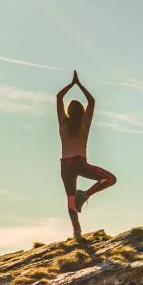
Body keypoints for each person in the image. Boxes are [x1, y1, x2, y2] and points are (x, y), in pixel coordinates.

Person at [56, 71, 117, 237]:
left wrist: (71, 84)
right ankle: (84, 195)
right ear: (82, 111)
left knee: (70, 199)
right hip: (79, 163)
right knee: (111, 179)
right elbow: (92, 101)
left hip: (65, 165)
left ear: (68, 111)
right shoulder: (85, 123)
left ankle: (77, 231)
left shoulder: (63, 123)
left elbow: (59, 97)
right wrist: (80, 85)